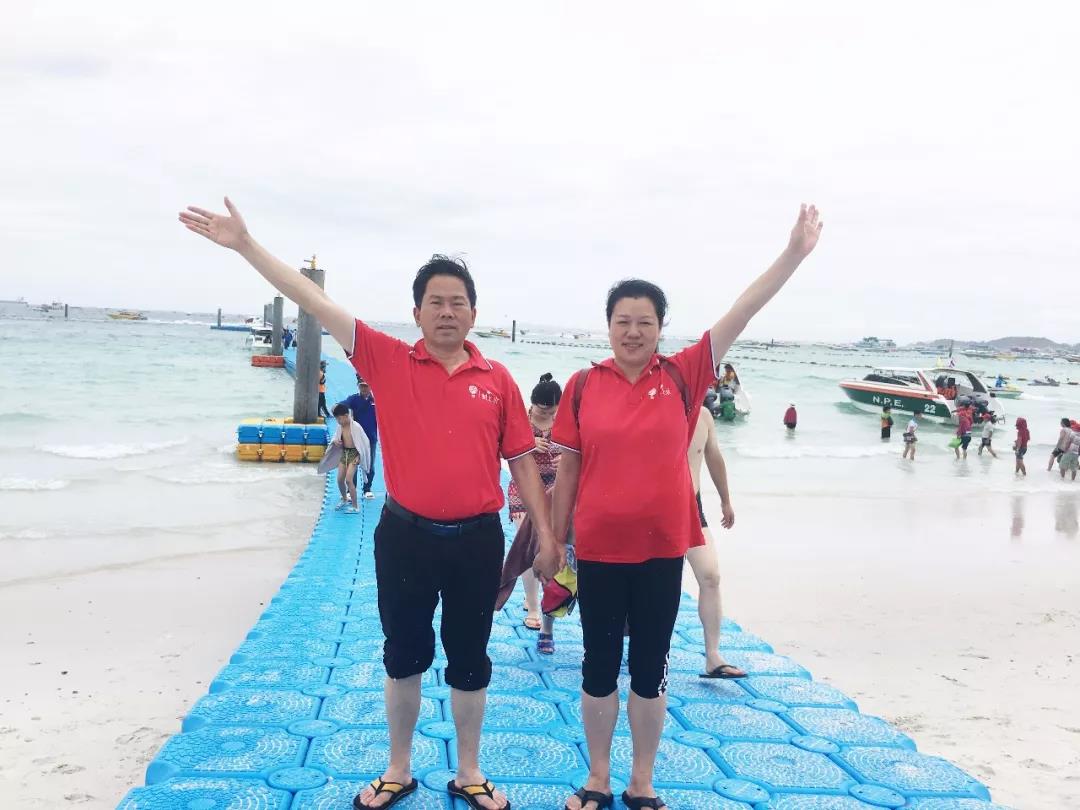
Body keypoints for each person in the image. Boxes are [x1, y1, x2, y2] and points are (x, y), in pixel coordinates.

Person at [179, 198, 555, 810]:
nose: (447, 311)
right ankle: (398, 768)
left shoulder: (499, 381)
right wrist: (246, 245)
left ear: (474, 312)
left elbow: (520, 462)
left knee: (470, 658)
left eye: (458, 302)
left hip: (477, 539)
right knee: (403, 655)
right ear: (416, 312)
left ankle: (469, 771)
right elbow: (312, 298)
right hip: (406, 536)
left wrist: (547, 534)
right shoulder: (386, 358)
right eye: (435, 301)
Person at [537, 204, 823, 810]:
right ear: (607, 326)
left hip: (662, 552)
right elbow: (568, 472)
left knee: (651, 668)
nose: (633, 331)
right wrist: (554, 540)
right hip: (599, 552)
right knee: (597, 666)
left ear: (661, 327)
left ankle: (641, 781)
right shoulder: (583, 386)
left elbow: (742, 312)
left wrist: (793, 254)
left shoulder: (686, 374)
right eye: (622, 321)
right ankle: (597, 778)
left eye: (644, 321)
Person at [686, 404, 744, 679]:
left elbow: (714, 457)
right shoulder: (655, 406)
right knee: (647, 583)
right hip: (654, 510)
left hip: (691, 507)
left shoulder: (704, 415)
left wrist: (725, 500)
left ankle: (713, 655)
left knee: (710, 576)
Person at [506, 373, 562, 636]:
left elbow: (583, 448)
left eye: (551, 411)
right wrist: (527, 444)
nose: (547, 415)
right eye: (541, 411)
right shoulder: (520, 419)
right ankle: (533, 606)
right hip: (524, 484)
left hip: (555, 486)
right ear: (532, 404)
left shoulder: (566, 420)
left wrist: (566, 461)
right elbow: (500, 447)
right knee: (528, 543)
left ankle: (546, 600)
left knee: (549, 545)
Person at [330, 402, 371, 513]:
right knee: (340, 480)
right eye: (337, 419)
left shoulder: (356, 427)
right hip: (344, 453)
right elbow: (335, 438)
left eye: (339, 418)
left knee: (349, 480)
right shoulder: (340, 427)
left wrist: (359, 456)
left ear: (346, 416)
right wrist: (336, 441)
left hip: (354, 454)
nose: (338, 421)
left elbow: (364, 443)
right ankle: (344, 499)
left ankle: (355, 506)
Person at [343, 375, 379, 498]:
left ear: (370, 386)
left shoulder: (376, 400)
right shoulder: (353, 399)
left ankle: (367, 489)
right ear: (358, 386)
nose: (364, 388)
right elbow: (344, 404)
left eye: (366, 386)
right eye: (362, 386)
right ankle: (350, 491)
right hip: (355, 439)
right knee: (352, 465)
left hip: (371, 439)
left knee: (370, 465)